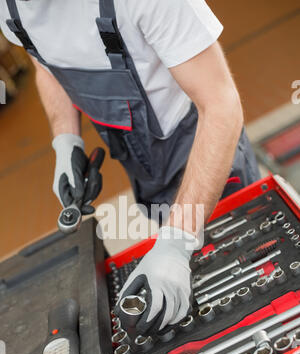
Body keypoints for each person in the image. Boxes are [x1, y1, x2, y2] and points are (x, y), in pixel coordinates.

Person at [0, 0, 260, 334]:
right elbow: (46, 67)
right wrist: (66, 141)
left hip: (205, 153)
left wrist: (177, 240)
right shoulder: (11, 9)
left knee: (245, 288)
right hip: (142, 168)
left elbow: (222, 106)